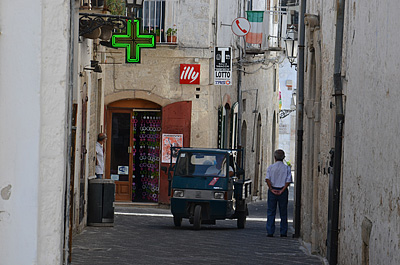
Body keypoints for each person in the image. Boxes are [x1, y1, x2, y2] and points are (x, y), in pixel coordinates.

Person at [265, 149, 292, 237]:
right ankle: (283, 232)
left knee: (271, 211)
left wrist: (271, 189)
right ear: (283, 157)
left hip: (272, 190)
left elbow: (267, 179)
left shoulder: (270, 167)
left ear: (275, 157)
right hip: (282, 191)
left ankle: (270, 231)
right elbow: (288, 181)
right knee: (283, 212)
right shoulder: (287, 168)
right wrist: (282, 190)